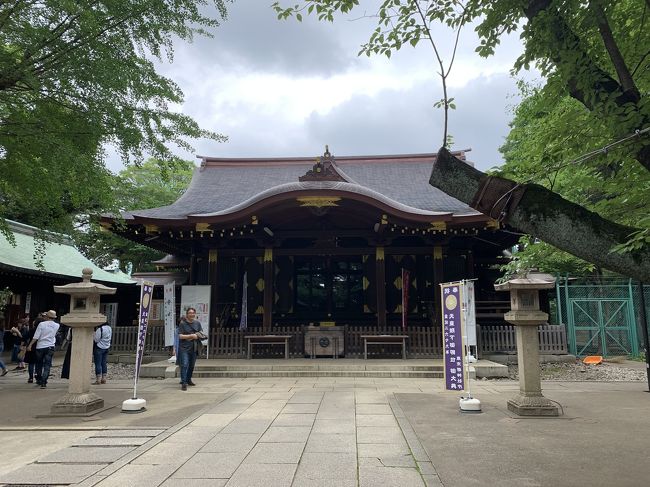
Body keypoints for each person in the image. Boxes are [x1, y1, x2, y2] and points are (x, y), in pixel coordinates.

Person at [27, 310, 59, 388]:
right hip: (50, 346)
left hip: (40, 346)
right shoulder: (57, 325)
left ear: (47, 317)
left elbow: (36, 336)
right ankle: (44, 381)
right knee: (47, 365)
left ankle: (39, 378)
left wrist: (30, 345)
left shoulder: (41, 324)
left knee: (39, 363)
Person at [177, 307, 202, 391]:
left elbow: (200, 332)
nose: (191, 314)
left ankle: (188, 379)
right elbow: (180, 336)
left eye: (193, 313)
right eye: (190, 313)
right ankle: (184, 382)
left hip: (194, 347)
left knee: (191, 365)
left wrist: (197, 335)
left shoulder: (197, 323)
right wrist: (191, 336)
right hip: (184, 348)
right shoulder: (182, 324)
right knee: (184, 364)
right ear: (187, 314)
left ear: (195, 314)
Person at [24, 315, 44, 383]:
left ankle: (30, 378)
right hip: (40, 347)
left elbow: (25, 337)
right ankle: (38, 376)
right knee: (39, 363)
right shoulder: (43, 331)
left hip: (31, 347)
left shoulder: (32, 330)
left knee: (31, 363)